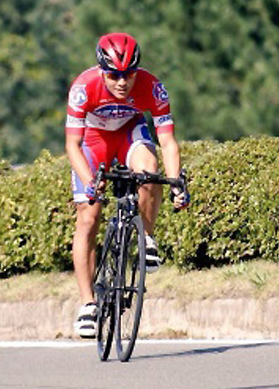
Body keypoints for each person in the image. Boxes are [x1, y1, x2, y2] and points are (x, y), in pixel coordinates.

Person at [65, 32, 190, 338]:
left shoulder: (153, 87)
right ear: (101, 71)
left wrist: (176, 183)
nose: (122, 82)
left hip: (128, 134)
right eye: (114, 76)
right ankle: (88, 304)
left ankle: (146, 238)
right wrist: (89, 183)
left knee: (149, 170)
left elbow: (167, 141)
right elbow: (73, 144)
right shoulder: (84, 87)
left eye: (129, 75)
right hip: (93, 142)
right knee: (88, 216)